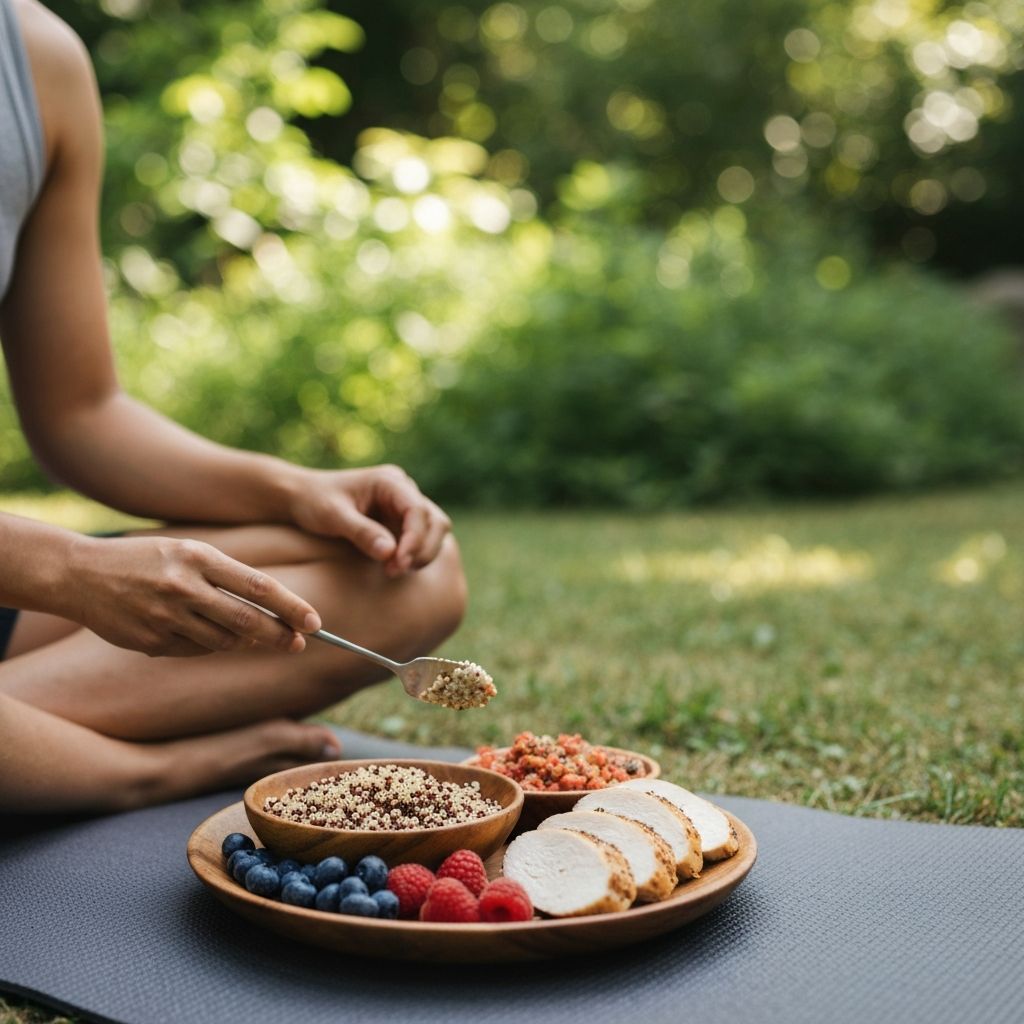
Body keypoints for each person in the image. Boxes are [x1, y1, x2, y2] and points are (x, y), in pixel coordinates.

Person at [0, 0, 466, 817]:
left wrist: (293, 489)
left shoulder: (38, 62)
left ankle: (28, 743)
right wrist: (68, 571)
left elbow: (83, 412)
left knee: (407, 577)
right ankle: (123, 767)